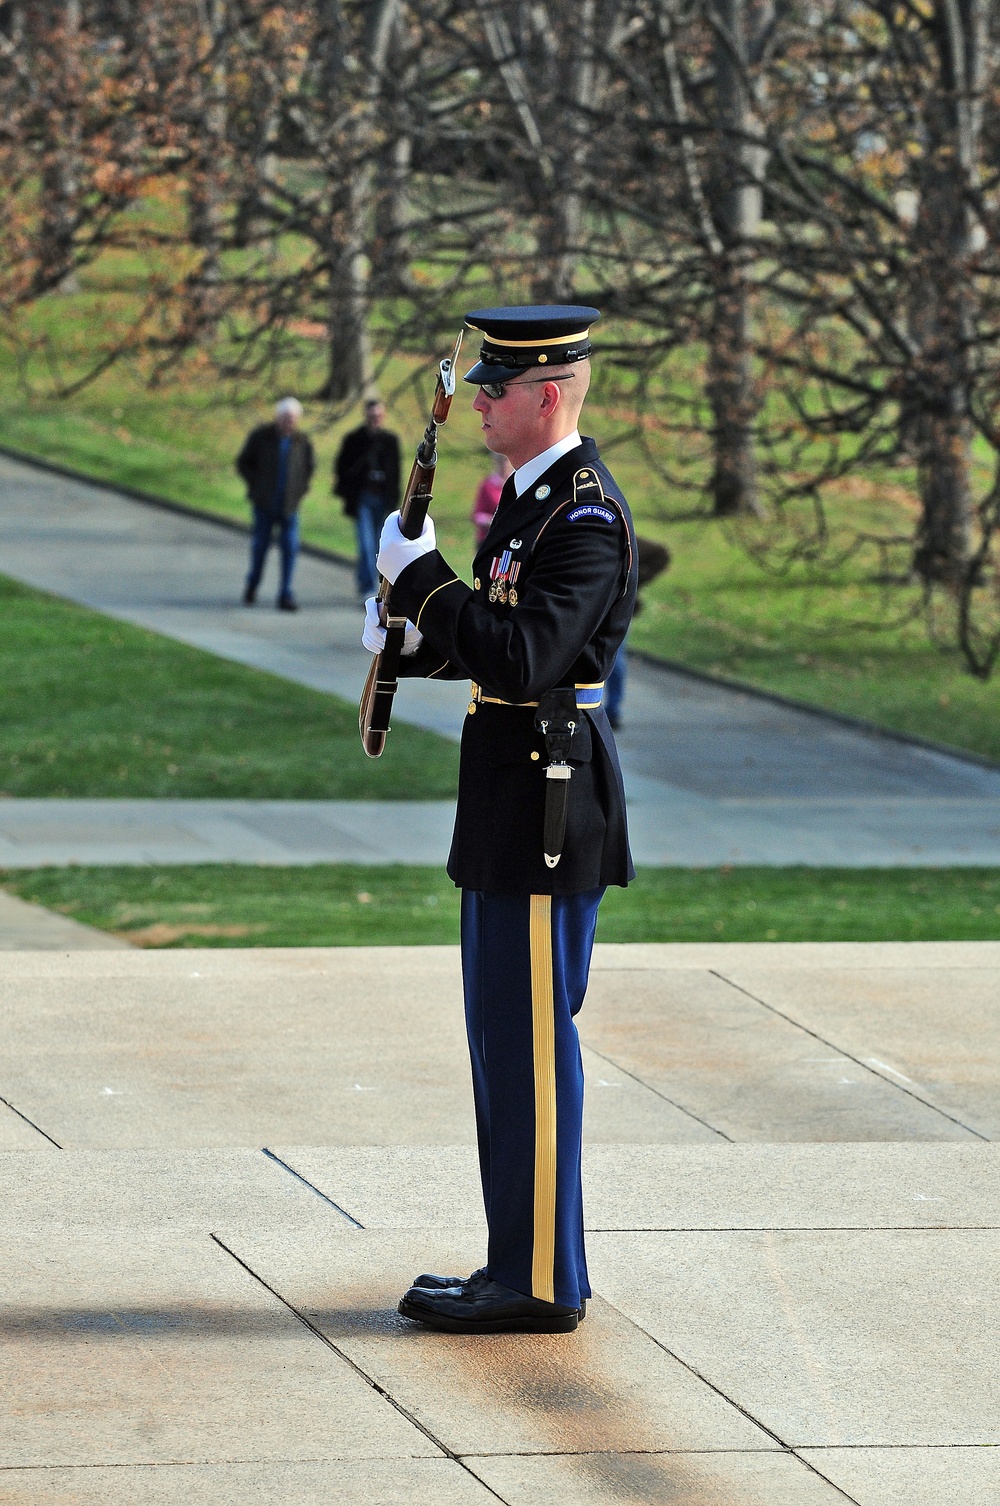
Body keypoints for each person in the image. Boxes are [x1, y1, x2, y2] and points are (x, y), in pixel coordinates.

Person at [363, 305, 637, 1335]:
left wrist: (423, 581)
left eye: (496, 385)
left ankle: (537, 1282)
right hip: (510, 806)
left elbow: (528, 660)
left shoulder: (585, 517)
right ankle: (515, 1263)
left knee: (528, 1052)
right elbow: (499, 641)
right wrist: (405, 634)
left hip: (545, 812)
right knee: (502, 1048)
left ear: (548, 396)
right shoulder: (530, 506)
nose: (478, 397)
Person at [236, 397, 315, 611]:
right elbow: (244, 463)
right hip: (264, 504)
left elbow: (308, 469)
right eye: (285, 418)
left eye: (292, 418)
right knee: (260, 547)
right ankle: (252, 584)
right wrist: (257, 485)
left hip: (289, 506)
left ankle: (285, 594)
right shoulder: (262, 437)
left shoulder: (301, 442)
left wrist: (300, 491)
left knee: (290, 548)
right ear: (277, 417)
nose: (288, 422)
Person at [334, 398, 402, 598]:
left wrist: (394, 499)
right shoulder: (354, 440)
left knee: (381, 544)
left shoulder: (390, 441)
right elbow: (342, 468)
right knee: (366, 544)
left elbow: (395, 472)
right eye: (372, 416)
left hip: (383, 499)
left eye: (378, 416)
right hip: (363, 498)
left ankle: (375, 584)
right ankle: (366, 586)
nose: (375, 420)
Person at [471, 452, 514, 545]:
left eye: (506, 460)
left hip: (511, 538)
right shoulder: (488, 485)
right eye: (500, 460)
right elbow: (477, 514)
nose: (504, 464)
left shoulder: (517, 482)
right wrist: (492, 521)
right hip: (489, 537)